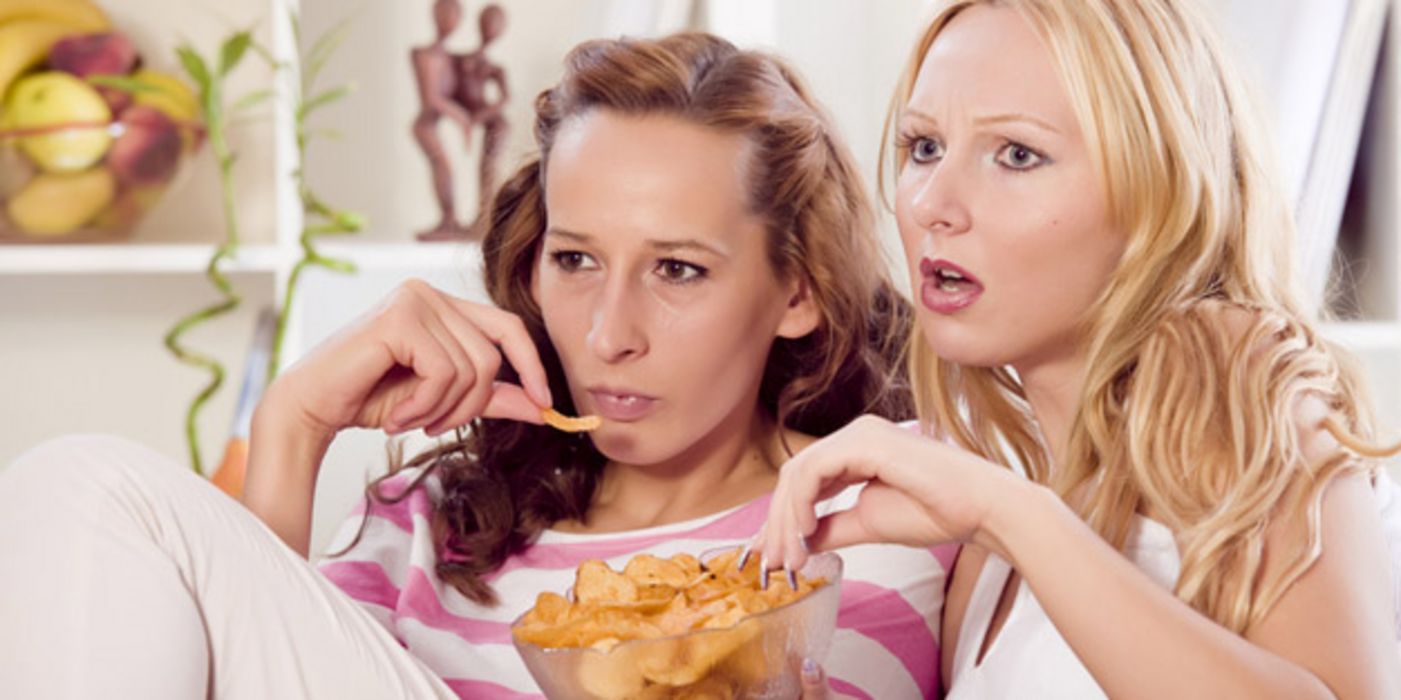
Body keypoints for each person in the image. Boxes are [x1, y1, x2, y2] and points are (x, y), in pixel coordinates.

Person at [0, 33, 953, 699]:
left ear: (797, 292)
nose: (609, 332)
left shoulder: (877, 509)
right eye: (575, 259)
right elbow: (251, 661)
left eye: (677, 269)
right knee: (75, 488)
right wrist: (295, 425)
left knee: (85, 481)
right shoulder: (437, 524)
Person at [752, 1, 1401, 697]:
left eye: (1018, 155)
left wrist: (1006, 513)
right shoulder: (998, 523)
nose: (930, 203)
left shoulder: (1235, 376)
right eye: (924, 147)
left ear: (1157, 190)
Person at [411, 0, 509, 240]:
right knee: (443, 166)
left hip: (470, 123)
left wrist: (475, 116)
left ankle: (478, 218)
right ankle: (448, 220)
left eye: (455, 15)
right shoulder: (425, 55)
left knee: (487, 167)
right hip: (426, 125)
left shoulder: (462, 60)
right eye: (446, 14)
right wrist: (462, 117)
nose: (451, 21)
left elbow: (497, 96)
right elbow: (432, 97)